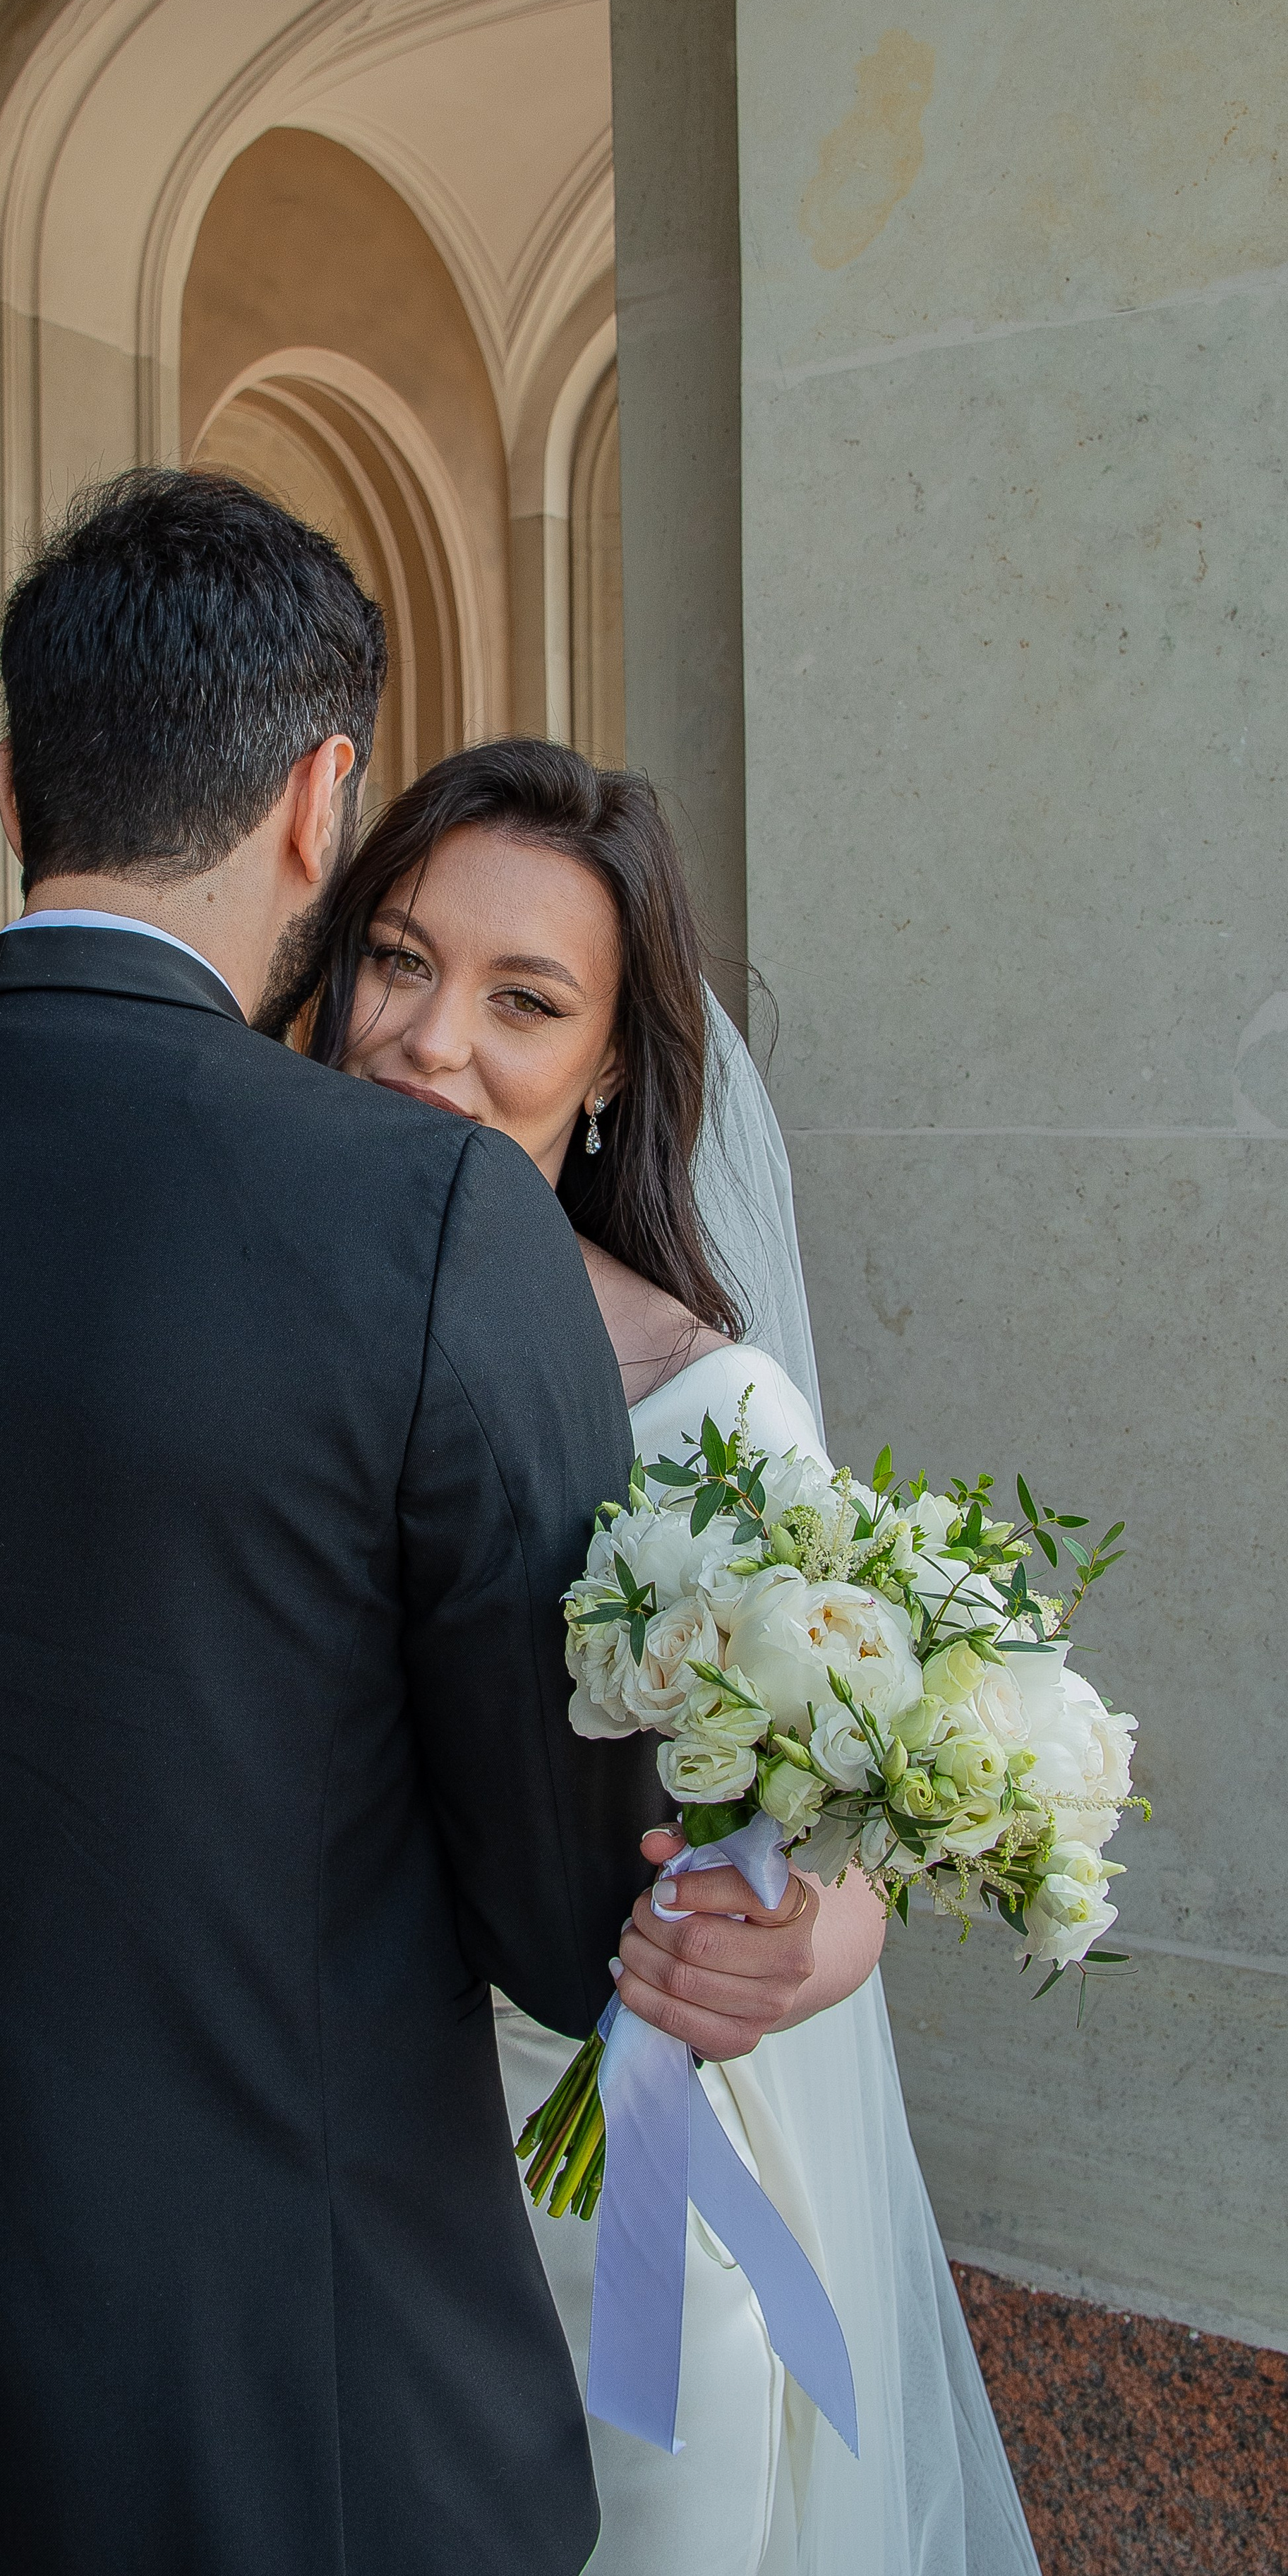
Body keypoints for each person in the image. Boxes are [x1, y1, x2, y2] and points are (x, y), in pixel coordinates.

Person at [0, 471, 826, 2576]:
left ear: (10, 786)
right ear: (325, 805)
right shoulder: (433, 1224)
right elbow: (555, 1915)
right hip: (279, 2423)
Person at [296, 737, 1043, 2576]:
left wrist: (794, 1943)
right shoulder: (229, 1303)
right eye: (397, 960)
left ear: (615, 1066)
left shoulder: (707, 1409)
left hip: (586, 2201)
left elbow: (840, 1848)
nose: (430, 1040)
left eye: (523, 1000)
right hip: (270, 2161)